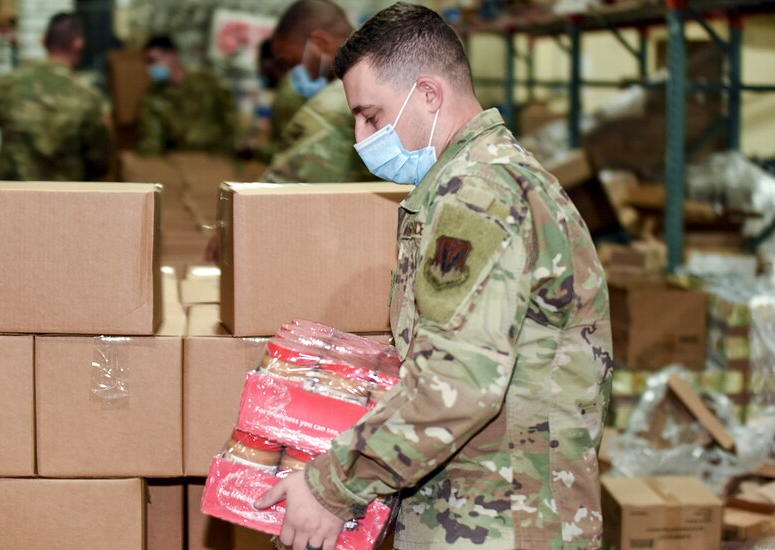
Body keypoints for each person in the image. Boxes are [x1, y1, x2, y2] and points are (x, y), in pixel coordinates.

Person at [255, 4, 613, 550]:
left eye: (370, 116)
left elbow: (457, 383)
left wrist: (332, 486)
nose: (359, 135)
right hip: (487, 510)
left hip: (502, 523)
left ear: (428, 93)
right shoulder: (486, 177)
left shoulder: (477, 194)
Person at [0, 12, 111, 181]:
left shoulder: (6, 85)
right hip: (64, 199)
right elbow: (100, 159)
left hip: (10, 197)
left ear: (43, 42)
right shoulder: (89, 96)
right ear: (79, 45)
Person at [259, 0, 375, 183]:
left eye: (289, 62)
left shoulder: (332, 107)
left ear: (320, 43)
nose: (290, 74)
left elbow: (280, 192)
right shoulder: (389, 67)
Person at [137, 35, 237, 157]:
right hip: (183, 163)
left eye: (154, 60)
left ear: (173, 55)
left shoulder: (207, 83)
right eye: (147, 63)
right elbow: (152, 141)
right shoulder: (153, 98)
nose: (151, 68)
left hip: (218, 158)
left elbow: (230, 120)